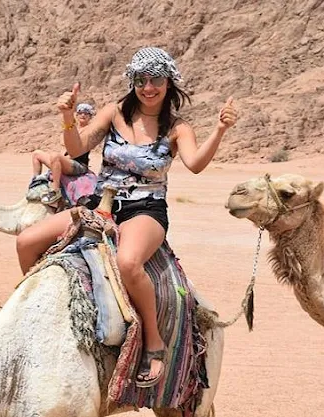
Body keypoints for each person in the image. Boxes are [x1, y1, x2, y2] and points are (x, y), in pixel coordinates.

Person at [16, 47, 238, 387]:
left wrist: (220, 131)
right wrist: (67, 116)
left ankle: (153, 341)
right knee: (26, 241)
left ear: (168, 82)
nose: (148, 87)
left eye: (156, 80)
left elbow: (195, 164)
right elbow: (77, 147)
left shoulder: (177, 128)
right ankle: (36, 315)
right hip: (101, 203)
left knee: (128, 263)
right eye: (140, 80)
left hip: (145, 209)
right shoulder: (114, 112)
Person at [30, 103, 96, 204]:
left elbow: (79, 149)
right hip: (66, 160)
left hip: (78, 164)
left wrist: (61, 158)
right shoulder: (72, 129)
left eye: (86, 113)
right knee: (37, 154)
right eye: (80, 113)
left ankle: (56, 190)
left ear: (90, 116)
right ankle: (35, 183)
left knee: (56, 156)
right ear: (77, 115)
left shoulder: (90, 131)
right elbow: (63, 146)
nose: (83, 115)